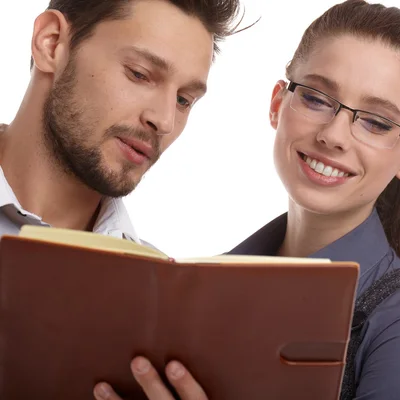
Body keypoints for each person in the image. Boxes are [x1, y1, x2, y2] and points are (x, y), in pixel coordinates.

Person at [0, 0, 241, 399]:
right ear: (51, 42)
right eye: (140, 74)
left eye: (184, 100)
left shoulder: (164, 311)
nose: (164, 120)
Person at [227, 0, 400, 399]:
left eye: (376, 122)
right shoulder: (205, 284)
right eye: (316, 98)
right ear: (278, 103)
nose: (333, 135)